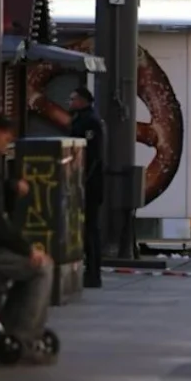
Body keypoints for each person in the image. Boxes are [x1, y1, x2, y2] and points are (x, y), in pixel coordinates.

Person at [0, 112, 56, 366]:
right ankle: (22, 338)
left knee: (33, 266)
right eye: (3, 132)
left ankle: (9, 330)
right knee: (41, 268)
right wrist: (26, 249)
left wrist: (10, 188)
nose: (7, 139)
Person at [69, 87, 106, 289]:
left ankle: (93, 272)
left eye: (73, 99)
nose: (70, 102)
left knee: (91, 228)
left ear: (83, 100)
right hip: (85, 182)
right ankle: (89, 270)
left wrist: (82, 179)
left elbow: (93, 155)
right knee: (86, 229)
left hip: (90, 184)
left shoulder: (90, 121)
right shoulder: (82, 119)